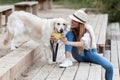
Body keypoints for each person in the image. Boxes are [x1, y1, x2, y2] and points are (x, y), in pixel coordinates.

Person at [59, 9, 113, 80]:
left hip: (90, 54)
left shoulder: (88, 29)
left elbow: (82, 44)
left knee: (110, 67)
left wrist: (67, 42)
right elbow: (61, 37)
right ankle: (68, 60)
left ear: (80, 23)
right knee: (69, 34)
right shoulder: (70, 28)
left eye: (74, 21)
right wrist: (55, 37)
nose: (71, 22)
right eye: (72, 19)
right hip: (78, 54)